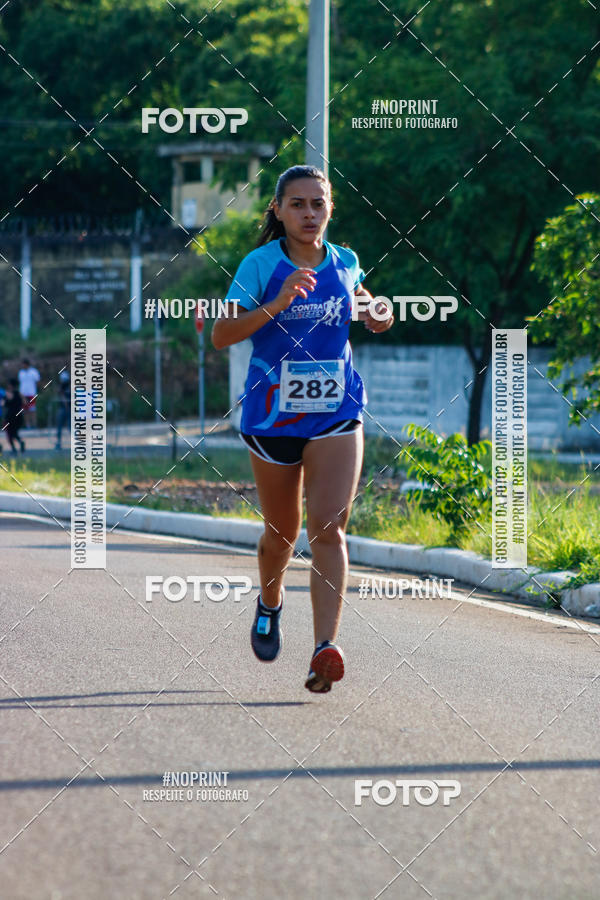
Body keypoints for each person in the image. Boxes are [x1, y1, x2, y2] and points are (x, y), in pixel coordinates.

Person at [212, 164, 393, 693]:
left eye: (318, 204)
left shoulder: (346, 261)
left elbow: (363, 303)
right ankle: (270, 603)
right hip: (273, 415)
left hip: (336, 410)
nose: (309, 214)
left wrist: (377, 311)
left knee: (328, 527)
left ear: (330, 208)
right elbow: (223, 335)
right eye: (298, 204)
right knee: (281, 533)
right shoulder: (259, 264)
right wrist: (278, 302)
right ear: (278, 209)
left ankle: (323, 649)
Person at [4, 379, 26, 454]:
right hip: (19, 416)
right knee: (14, 433)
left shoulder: (9, 393)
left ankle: (14, 449)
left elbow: (5, 404)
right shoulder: (20, 393)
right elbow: (25, 402)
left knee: (9, 434)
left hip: (10, 416)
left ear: (11, 385)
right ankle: (21, 442)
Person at [18, 358, 40, 428]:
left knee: (32, 410)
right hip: (23, 394)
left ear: (26, 364)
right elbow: (21, 383)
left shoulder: (34, 372)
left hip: (31, 393)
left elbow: (37, 382)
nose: (22, 366)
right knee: (25, 410)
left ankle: (34, 424)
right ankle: (28, 425)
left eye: (23, 364)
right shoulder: (21, 372)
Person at [55, 369, 71, 450]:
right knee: (59, 427)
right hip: (62, 409)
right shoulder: (61, 387)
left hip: (71, 409)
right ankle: (58, 443)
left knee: (71, 427)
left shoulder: (70, 386)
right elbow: (60, 394)